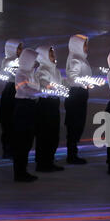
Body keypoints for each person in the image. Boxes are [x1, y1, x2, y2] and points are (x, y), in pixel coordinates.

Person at [34, 45, 64, 172]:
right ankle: (42, 162)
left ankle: (49, 159)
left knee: (53, 134)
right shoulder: (42, 70)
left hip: (54, 103)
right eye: (50, 54)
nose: (53, 56)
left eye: (53, 53)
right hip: (45, 104)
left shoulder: (55, 70)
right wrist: (52, 87)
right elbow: (44, 82)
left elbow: (59, 84)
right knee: (44, 134)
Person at [12, 48, 41, 182]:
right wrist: (41, 93)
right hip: (23, 107)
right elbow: (25, 89)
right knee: (21, 142)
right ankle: (19, 173)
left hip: (30, 107)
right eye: (34, 61)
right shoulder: (21, 74)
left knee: (27, 140)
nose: (36, 63)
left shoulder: (30, 74)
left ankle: (23, 170)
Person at [64, 34, 91, 164]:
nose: (87, 47)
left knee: (77, 124)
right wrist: (84, 83)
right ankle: (71, 155)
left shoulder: (80, 58)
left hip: (80, 94)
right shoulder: (76, 59)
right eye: (84, 44)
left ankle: (72, 153)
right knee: (74, 125)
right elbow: (73, 77)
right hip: (76, 95)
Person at [0, 39, 23, 159]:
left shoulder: (21, 61)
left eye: (21, 48)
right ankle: (7, 149)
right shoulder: (8, 61)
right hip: (10, 91)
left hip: (18, 89)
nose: (20, 51)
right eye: (18, 48)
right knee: (8, 120)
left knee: (17, 121)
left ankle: (14, 146)